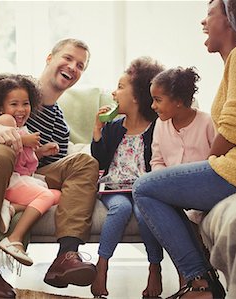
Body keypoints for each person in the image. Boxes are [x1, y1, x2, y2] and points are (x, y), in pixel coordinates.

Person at [0, 38, 99, 299]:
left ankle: (66, 257)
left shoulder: (59, 124)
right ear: (49, 58)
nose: (73, 66)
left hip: (16, 177)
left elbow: (37, 172)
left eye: (80, 65)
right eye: (68, 58)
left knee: (84, 162)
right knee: (0, 153)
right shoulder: (4, 91)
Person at [132, 0, 236, 298]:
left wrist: (212, 161)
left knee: (145, 188)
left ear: (230, 20)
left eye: (209, 14)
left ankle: (200, 282)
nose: (203, 23)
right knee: (156, 189)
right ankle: (202, 282)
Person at [90, 56, 165, 298]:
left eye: (120, 88)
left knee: (144, 215)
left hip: (144, 189)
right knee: (120, 209)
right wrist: (97, 132)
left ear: (137, 97)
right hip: (114, 188)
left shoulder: (157, 128)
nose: (113, 93)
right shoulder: (113, 127)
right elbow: (101, 160)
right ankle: (102, 267)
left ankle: (155, 267)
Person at [0, 73, 61, 267]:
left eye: (25, 103)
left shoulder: (21, 128)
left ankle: (12, 207)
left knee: (59, 194)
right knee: (48, 197)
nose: (21, 109)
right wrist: (25, 140)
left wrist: (40, 152)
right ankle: (14, 238)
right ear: (1, 108)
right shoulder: (3, 122)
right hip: (7, 182)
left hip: (20, 180)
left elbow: (21, 160)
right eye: (14, 104)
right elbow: (6, 144)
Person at [150, 66, 216, 287]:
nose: (153, 106)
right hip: (173, 191)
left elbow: (218, 161)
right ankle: (190, 280)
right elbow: (157, 161)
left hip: (201, 189)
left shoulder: (206, 122)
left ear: (178, 101)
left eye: (158, 100)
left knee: (192, 219)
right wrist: (163, 182)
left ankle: (201, 278)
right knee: (162, 207)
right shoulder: (161, 125)